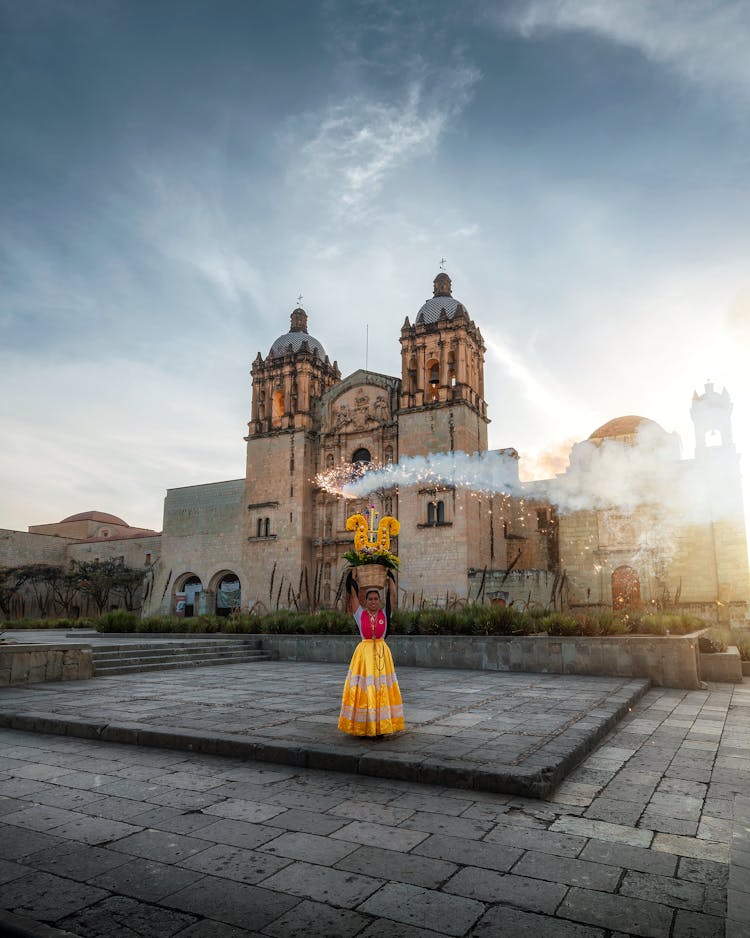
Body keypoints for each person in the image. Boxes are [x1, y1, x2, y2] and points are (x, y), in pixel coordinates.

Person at [338, 570, 405, 737]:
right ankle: (364, 725)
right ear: (365, 601)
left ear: (379, 601)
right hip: (364, 656)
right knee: (365, 690)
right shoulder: (360, 614)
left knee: (381, 689)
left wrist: (390, 578)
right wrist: (352, 578)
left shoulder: (385, 614)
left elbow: (392, 597)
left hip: (382, 654)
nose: (373, 601)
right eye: (370, 599)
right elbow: (353, 597)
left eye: (376, 599)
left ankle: (381, 725)